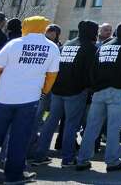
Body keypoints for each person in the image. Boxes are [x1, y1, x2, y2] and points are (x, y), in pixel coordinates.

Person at [0, 16, 60, 185]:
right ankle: (14, 175)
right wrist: (43, 92)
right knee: (20, 139)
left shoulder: (14, 44)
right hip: (29, 99)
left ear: (26, 26)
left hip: (3, 97)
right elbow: (51, 76)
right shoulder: (52, 47)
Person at [29, 20, 98, 167]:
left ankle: (39, 155)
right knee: (71, 125)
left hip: (58, 89)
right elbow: (90, 72)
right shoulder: (90, 48)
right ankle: (67, 158)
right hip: (76, 91)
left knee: (50, 122)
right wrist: (89, 87)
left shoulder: (67, 44)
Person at [75, 22, 121, 173]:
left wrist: (95, 86)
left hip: (99, 91)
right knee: (114, 129)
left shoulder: (104, 46)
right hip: (119, 91)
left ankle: (82, 159)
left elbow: (93, 68)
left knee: (91, 127)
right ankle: (112, 161)